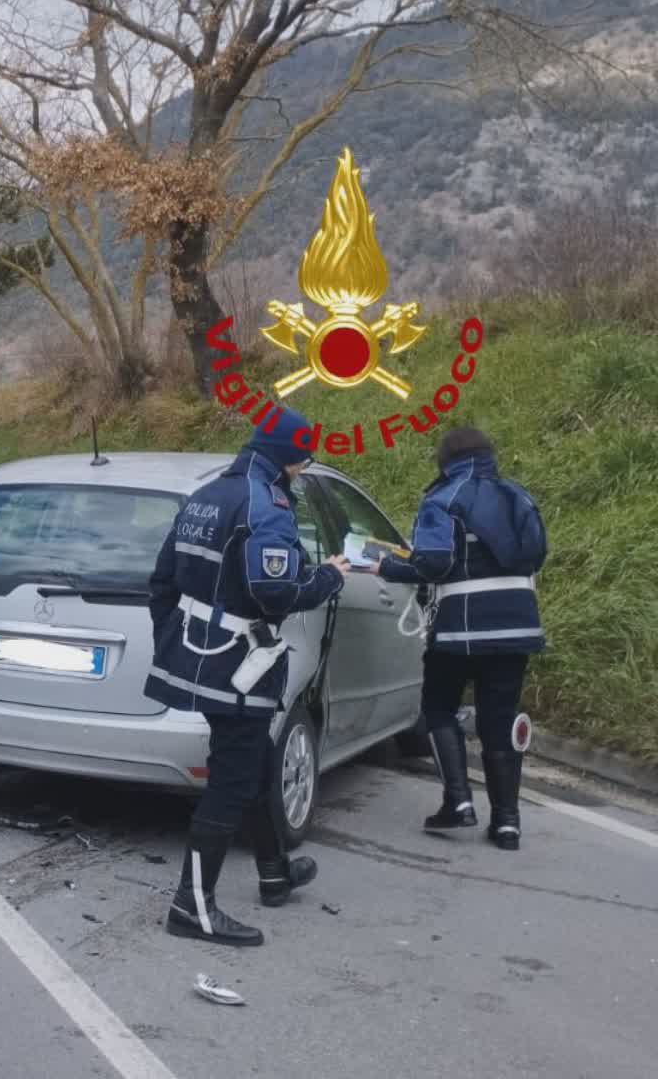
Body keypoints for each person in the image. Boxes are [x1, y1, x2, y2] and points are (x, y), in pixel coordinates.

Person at [144, 405, 349, 947]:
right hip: (241, 664)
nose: (303, 471)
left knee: (253, 761)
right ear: (290, 459)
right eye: (303, 462)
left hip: (201, 656)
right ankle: (192, 907)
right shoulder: (268, 505)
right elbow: (275, 592)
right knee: (233, 780)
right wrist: (329, 577)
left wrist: (179, 643)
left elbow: (161, 582)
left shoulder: (204, 496)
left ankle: (275, 870)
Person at [364, 427, 546, 850]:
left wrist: (387, 567)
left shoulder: (443, 499)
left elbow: (433, 562)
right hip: (518, 626)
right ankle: (507, 823)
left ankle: (459, 802)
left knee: (439, 707)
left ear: (444, 461)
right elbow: (537, 553)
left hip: (462, 628)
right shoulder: (518, 496)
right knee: (499, 720)